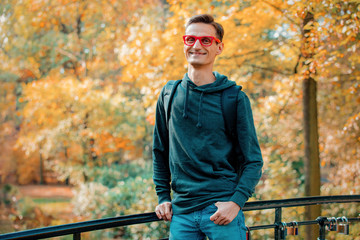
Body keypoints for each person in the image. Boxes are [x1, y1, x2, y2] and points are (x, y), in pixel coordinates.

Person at [152, 14, 263, 240]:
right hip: (181, 213)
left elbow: (253, 160)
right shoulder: (168, 95)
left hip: (221, 211)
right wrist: (163, 197)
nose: (196, 45)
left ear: (218, 47)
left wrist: (235, 203)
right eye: (190, 39)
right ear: (184, 44)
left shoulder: (234, 98)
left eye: (205, 40)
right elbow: (159, 151)